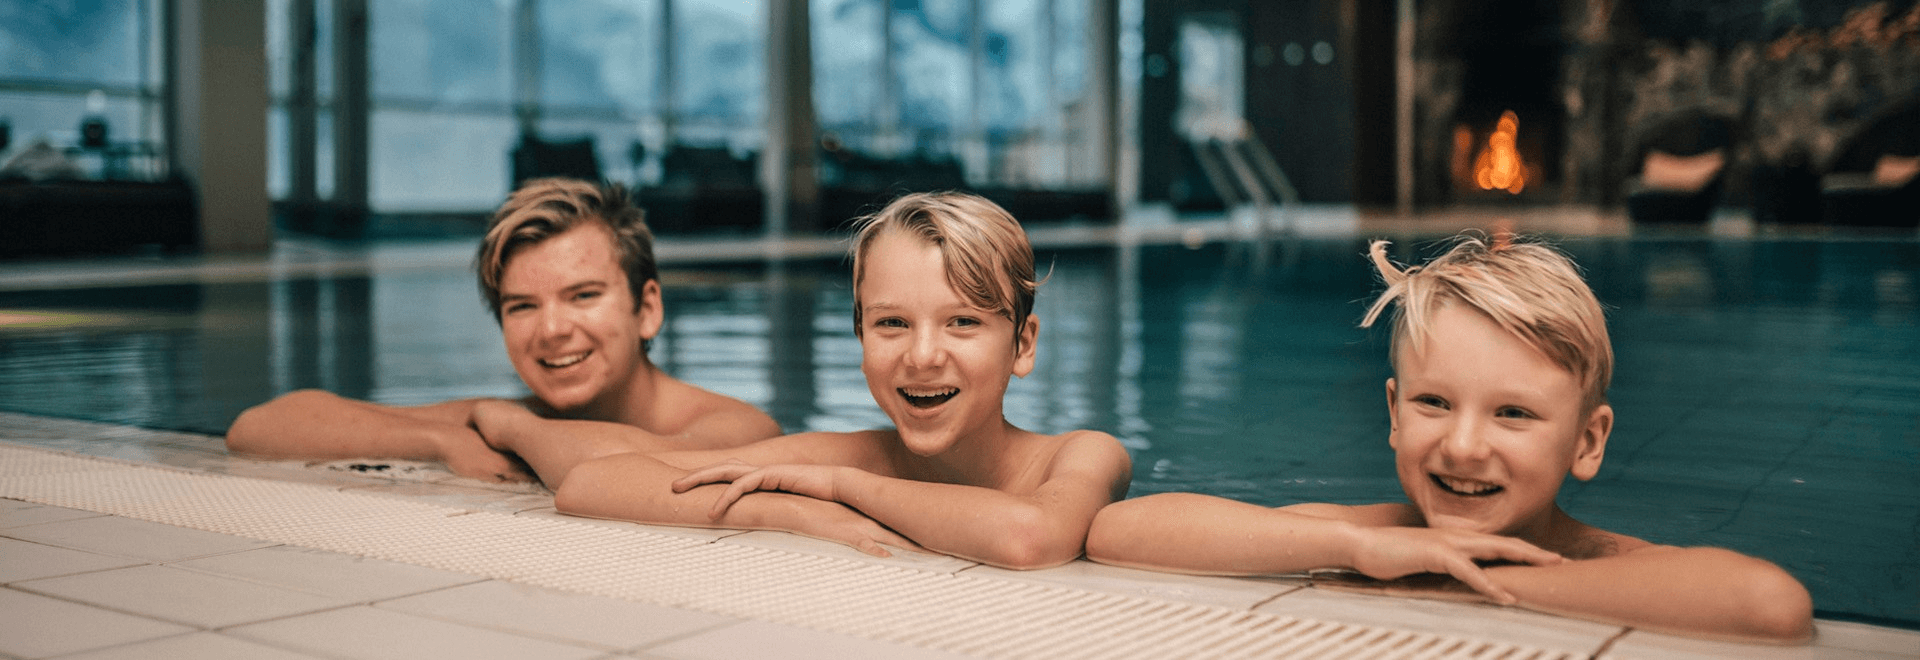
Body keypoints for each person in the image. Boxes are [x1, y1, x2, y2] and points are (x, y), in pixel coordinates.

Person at [1084, 234, 1814, 642]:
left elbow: (1769, 603)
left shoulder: (1601, 562)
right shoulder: (1380, 537)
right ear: (1395, 413)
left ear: (1588, 442)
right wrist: (1356, 548)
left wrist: (1490, 582)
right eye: (1435, 403)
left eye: (1513, 414)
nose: (1464, 447)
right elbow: (1122, 530)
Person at [473, 191, 1132, 569]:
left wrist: (845, 489)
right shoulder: (841, 453)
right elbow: (593, 482)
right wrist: (784, 507)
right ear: (860, 339)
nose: (922, 355)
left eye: (962, 322)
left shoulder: (1081, 454)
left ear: (1023, 343)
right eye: (891, 324)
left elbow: (1029, 537)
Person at [226, 178, 781, 483]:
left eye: (583, 296)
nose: (552, 330)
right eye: (521, 307)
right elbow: (260, 427)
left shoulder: (736, 425)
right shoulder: (514, 417)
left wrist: (508, 428)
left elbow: (641, 468)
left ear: (647, 308)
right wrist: (439, 439)